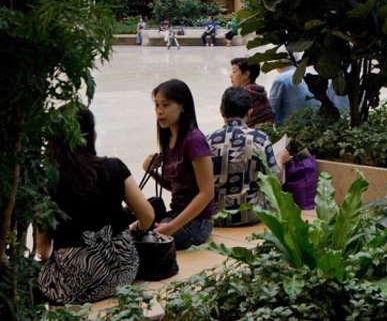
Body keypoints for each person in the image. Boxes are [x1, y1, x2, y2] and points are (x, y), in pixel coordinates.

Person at [36, 106, 154, 305]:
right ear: (92, 135)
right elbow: (148, 216)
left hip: (75, 287)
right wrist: (134, 231)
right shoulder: (114, 167)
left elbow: (43, 248)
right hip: (124, 273)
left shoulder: (48, 181)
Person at [142, 79, 214, 249]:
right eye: (157, 106)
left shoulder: (194, 140)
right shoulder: (169, 140)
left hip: (197, 223)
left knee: (143, 242)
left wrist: (172, 227)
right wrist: (150, 170)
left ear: (183, 106)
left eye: (165, 105)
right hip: (176, 215)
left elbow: (207, 192)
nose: (159, 112)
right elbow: (177, 186)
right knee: (134, 230)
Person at [207, 87, 289, 225]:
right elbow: (274, 181)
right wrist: (281, 159)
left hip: (217, 217)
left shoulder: (208, 140)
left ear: (221, 111)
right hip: (252, 215)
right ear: (250, 112)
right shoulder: (260, 138)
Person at [230, 57, 275, 126]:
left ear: (246, 75)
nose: (231, 76)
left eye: (234, 72)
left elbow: (233, 124)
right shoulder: (260, 92)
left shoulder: (242, 97)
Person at [269, 59, 316, 124]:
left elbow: (271, 110)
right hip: (316, 123)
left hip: (292, 128)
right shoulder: (309, 73)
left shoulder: (280, 80)